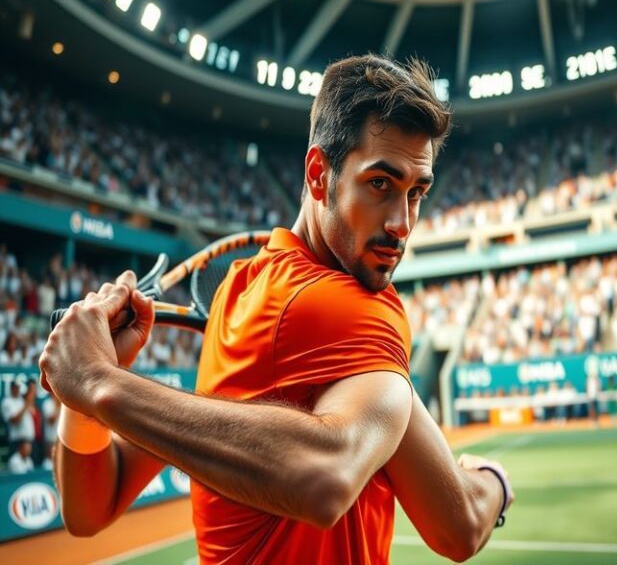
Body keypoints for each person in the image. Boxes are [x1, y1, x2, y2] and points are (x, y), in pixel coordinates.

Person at [39, 54, 512, 564]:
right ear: (317, 174)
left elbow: (90, 506)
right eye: (380, 184)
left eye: (416, 192)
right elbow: (445, 521)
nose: (401, 222)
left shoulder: (236, 294)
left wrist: (87, 392)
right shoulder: (360, 307)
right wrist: (496, 482)